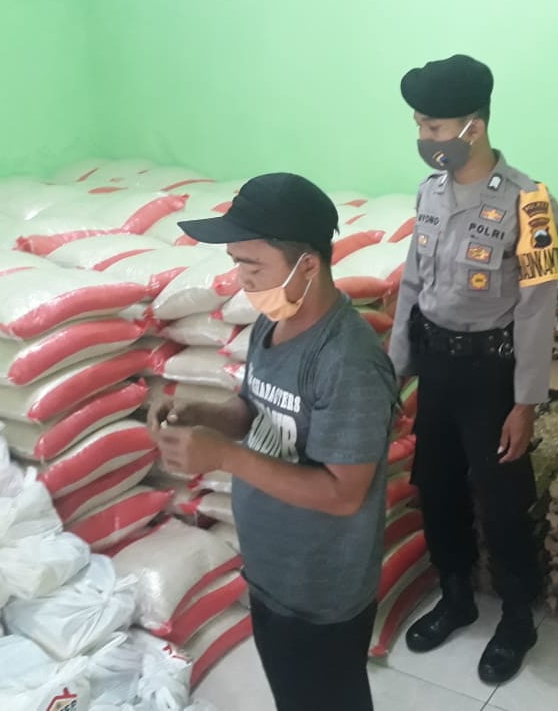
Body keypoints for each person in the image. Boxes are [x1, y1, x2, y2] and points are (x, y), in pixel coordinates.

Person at [147, 172, 397, 711]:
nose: (241, 279)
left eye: (253, 265)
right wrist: (204, 415)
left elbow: (344, 493)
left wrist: (224, 456)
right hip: (271, 570)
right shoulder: (271, 325)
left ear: (308, 265)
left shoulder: (348, 361)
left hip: (321, 590)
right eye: (236, 263)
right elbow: (254, 411)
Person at [387, 54, 558, 684]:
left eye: (434, 127)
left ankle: (517, 618)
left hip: (493, 376)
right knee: (435, 486)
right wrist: (395, 369)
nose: (424, 137)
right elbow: (413, 285)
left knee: (502, 502)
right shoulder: (429, 193)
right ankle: (457, 595)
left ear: (475, 126)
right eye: (419, 125)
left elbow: (538, 307)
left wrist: (526, 403)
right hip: (436, 367)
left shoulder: (531, 205)